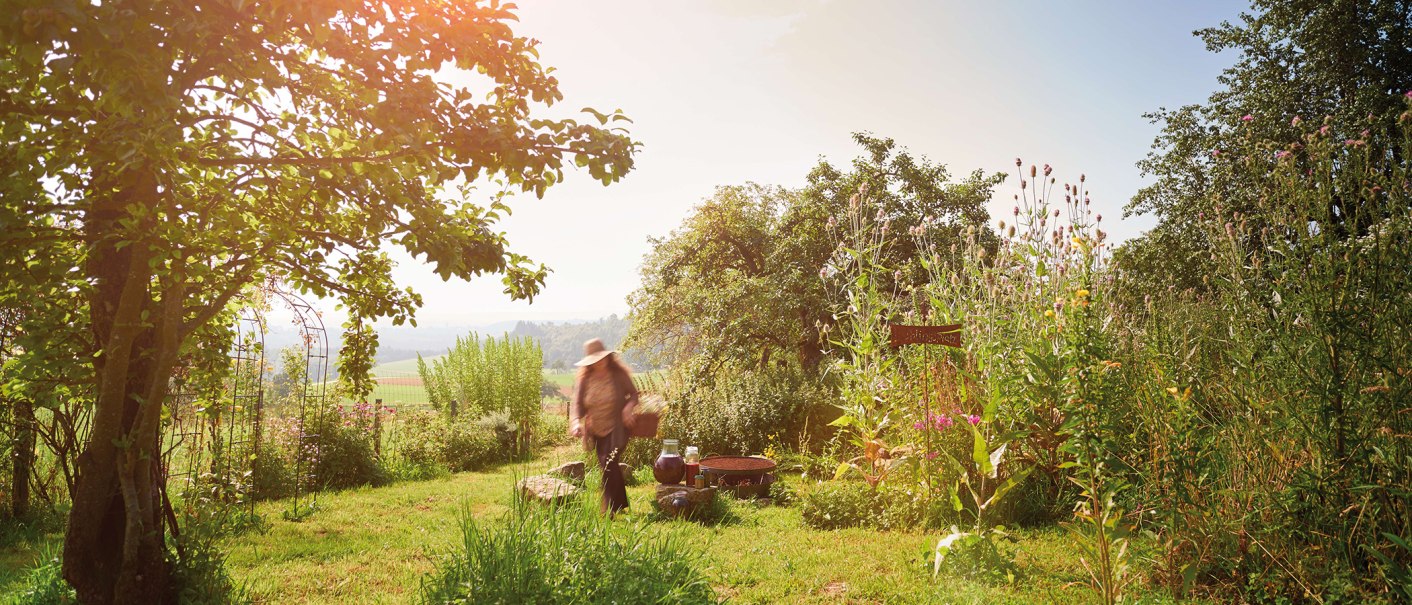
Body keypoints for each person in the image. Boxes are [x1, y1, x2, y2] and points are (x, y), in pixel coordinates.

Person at [569, 338, 638, 515]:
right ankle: (620, 504)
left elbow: (634, 394)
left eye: (601, 358)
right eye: (595, 359)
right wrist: (576, 422)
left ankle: (608, 509)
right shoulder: (585, 380)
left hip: (619, 426)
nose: (599, 362)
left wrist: (628, 408)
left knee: (608, 462)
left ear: (608, 357)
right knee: (608, 464)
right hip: (597, 430)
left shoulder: (618, 375)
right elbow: (577, 405)